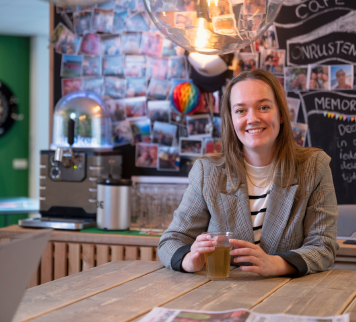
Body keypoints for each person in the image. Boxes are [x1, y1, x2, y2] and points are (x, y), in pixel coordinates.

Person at [158, 69, 338, 277]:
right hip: (220, 296)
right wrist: (191, 259)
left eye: (263, 107)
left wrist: (276, 264)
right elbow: (170, 241)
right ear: (232, 120)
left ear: (281, 114)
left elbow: (324, 247)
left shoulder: (314, 167)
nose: (252, 118)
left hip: (289, 296)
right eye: (241, 110)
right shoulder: (208, 172)